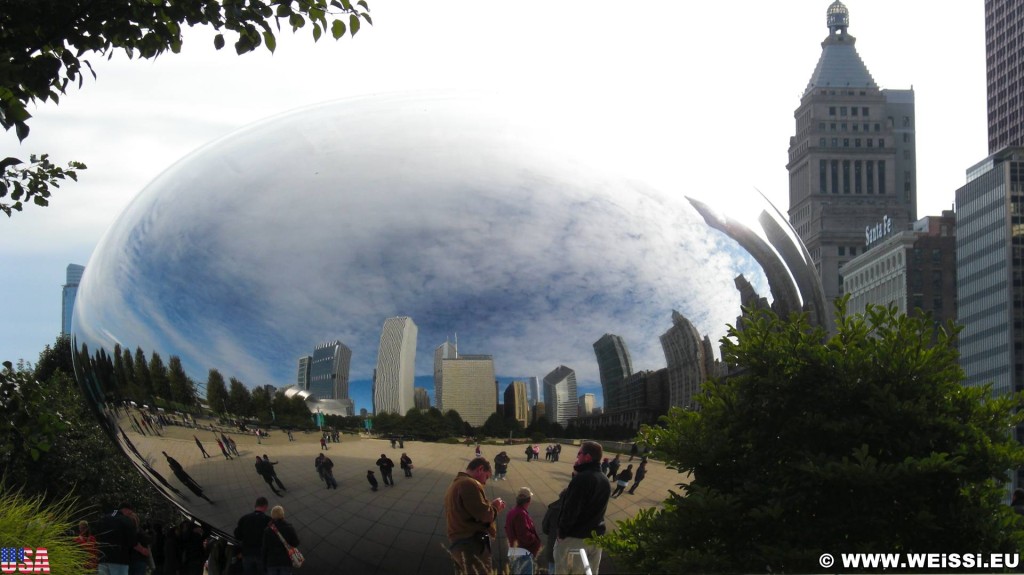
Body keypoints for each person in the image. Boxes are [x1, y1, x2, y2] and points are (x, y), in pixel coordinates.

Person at [555, 441, 611, 575]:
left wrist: (561, 533)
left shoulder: (582, 479)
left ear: (587, 457)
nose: (577, 456)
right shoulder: (604, 479)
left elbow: (571, 510)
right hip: (596, 538)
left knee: (565, 570)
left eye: (579, 453)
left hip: (577, 538)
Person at [444, 458, 506, 575]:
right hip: (471, 545)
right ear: (480, 469)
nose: (485, 482)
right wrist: (496, 507)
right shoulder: (468, 483)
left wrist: (490, 506)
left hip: (460, 544)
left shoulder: (456, 484)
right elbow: (485, 515)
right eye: (486, 477)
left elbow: (472, 511)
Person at [95, 503, 143, 575]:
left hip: (103, 559)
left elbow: (96, 536)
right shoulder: (125, 520)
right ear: (126, 510)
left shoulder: (104, 518)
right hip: (119, 560)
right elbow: (132, 542)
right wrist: (142, 549)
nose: (130, 514)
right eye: (130, 512)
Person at [504, 487, 541, 575]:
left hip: (514, 551)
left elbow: (507, 528)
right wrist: (535, 541)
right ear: (529, 500)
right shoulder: (521, 514)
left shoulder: (512, 512)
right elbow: (524, 535)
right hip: (523, 553)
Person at [234, 496, 270, 575]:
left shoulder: (244, 518)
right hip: (262, 554)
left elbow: (237, 535)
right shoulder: (268, 520)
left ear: (255, 506)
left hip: (247, 553)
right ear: (265, 506)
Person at [261, 506, 299, 575]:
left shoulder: (267, 530)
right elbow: (295, 543)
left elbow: (264, 548)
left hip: (272, 562)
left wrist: (263, 564)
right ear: (282, 515)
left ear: (272, 516)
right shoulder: (289, 528)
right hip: (285, 562)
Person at [540, 490, 564, 575]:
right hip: (568, 548)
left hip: (553, 545)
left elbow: (545, 527)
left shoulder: (553, 508)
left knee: (552, 568)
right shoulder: (576, 509)